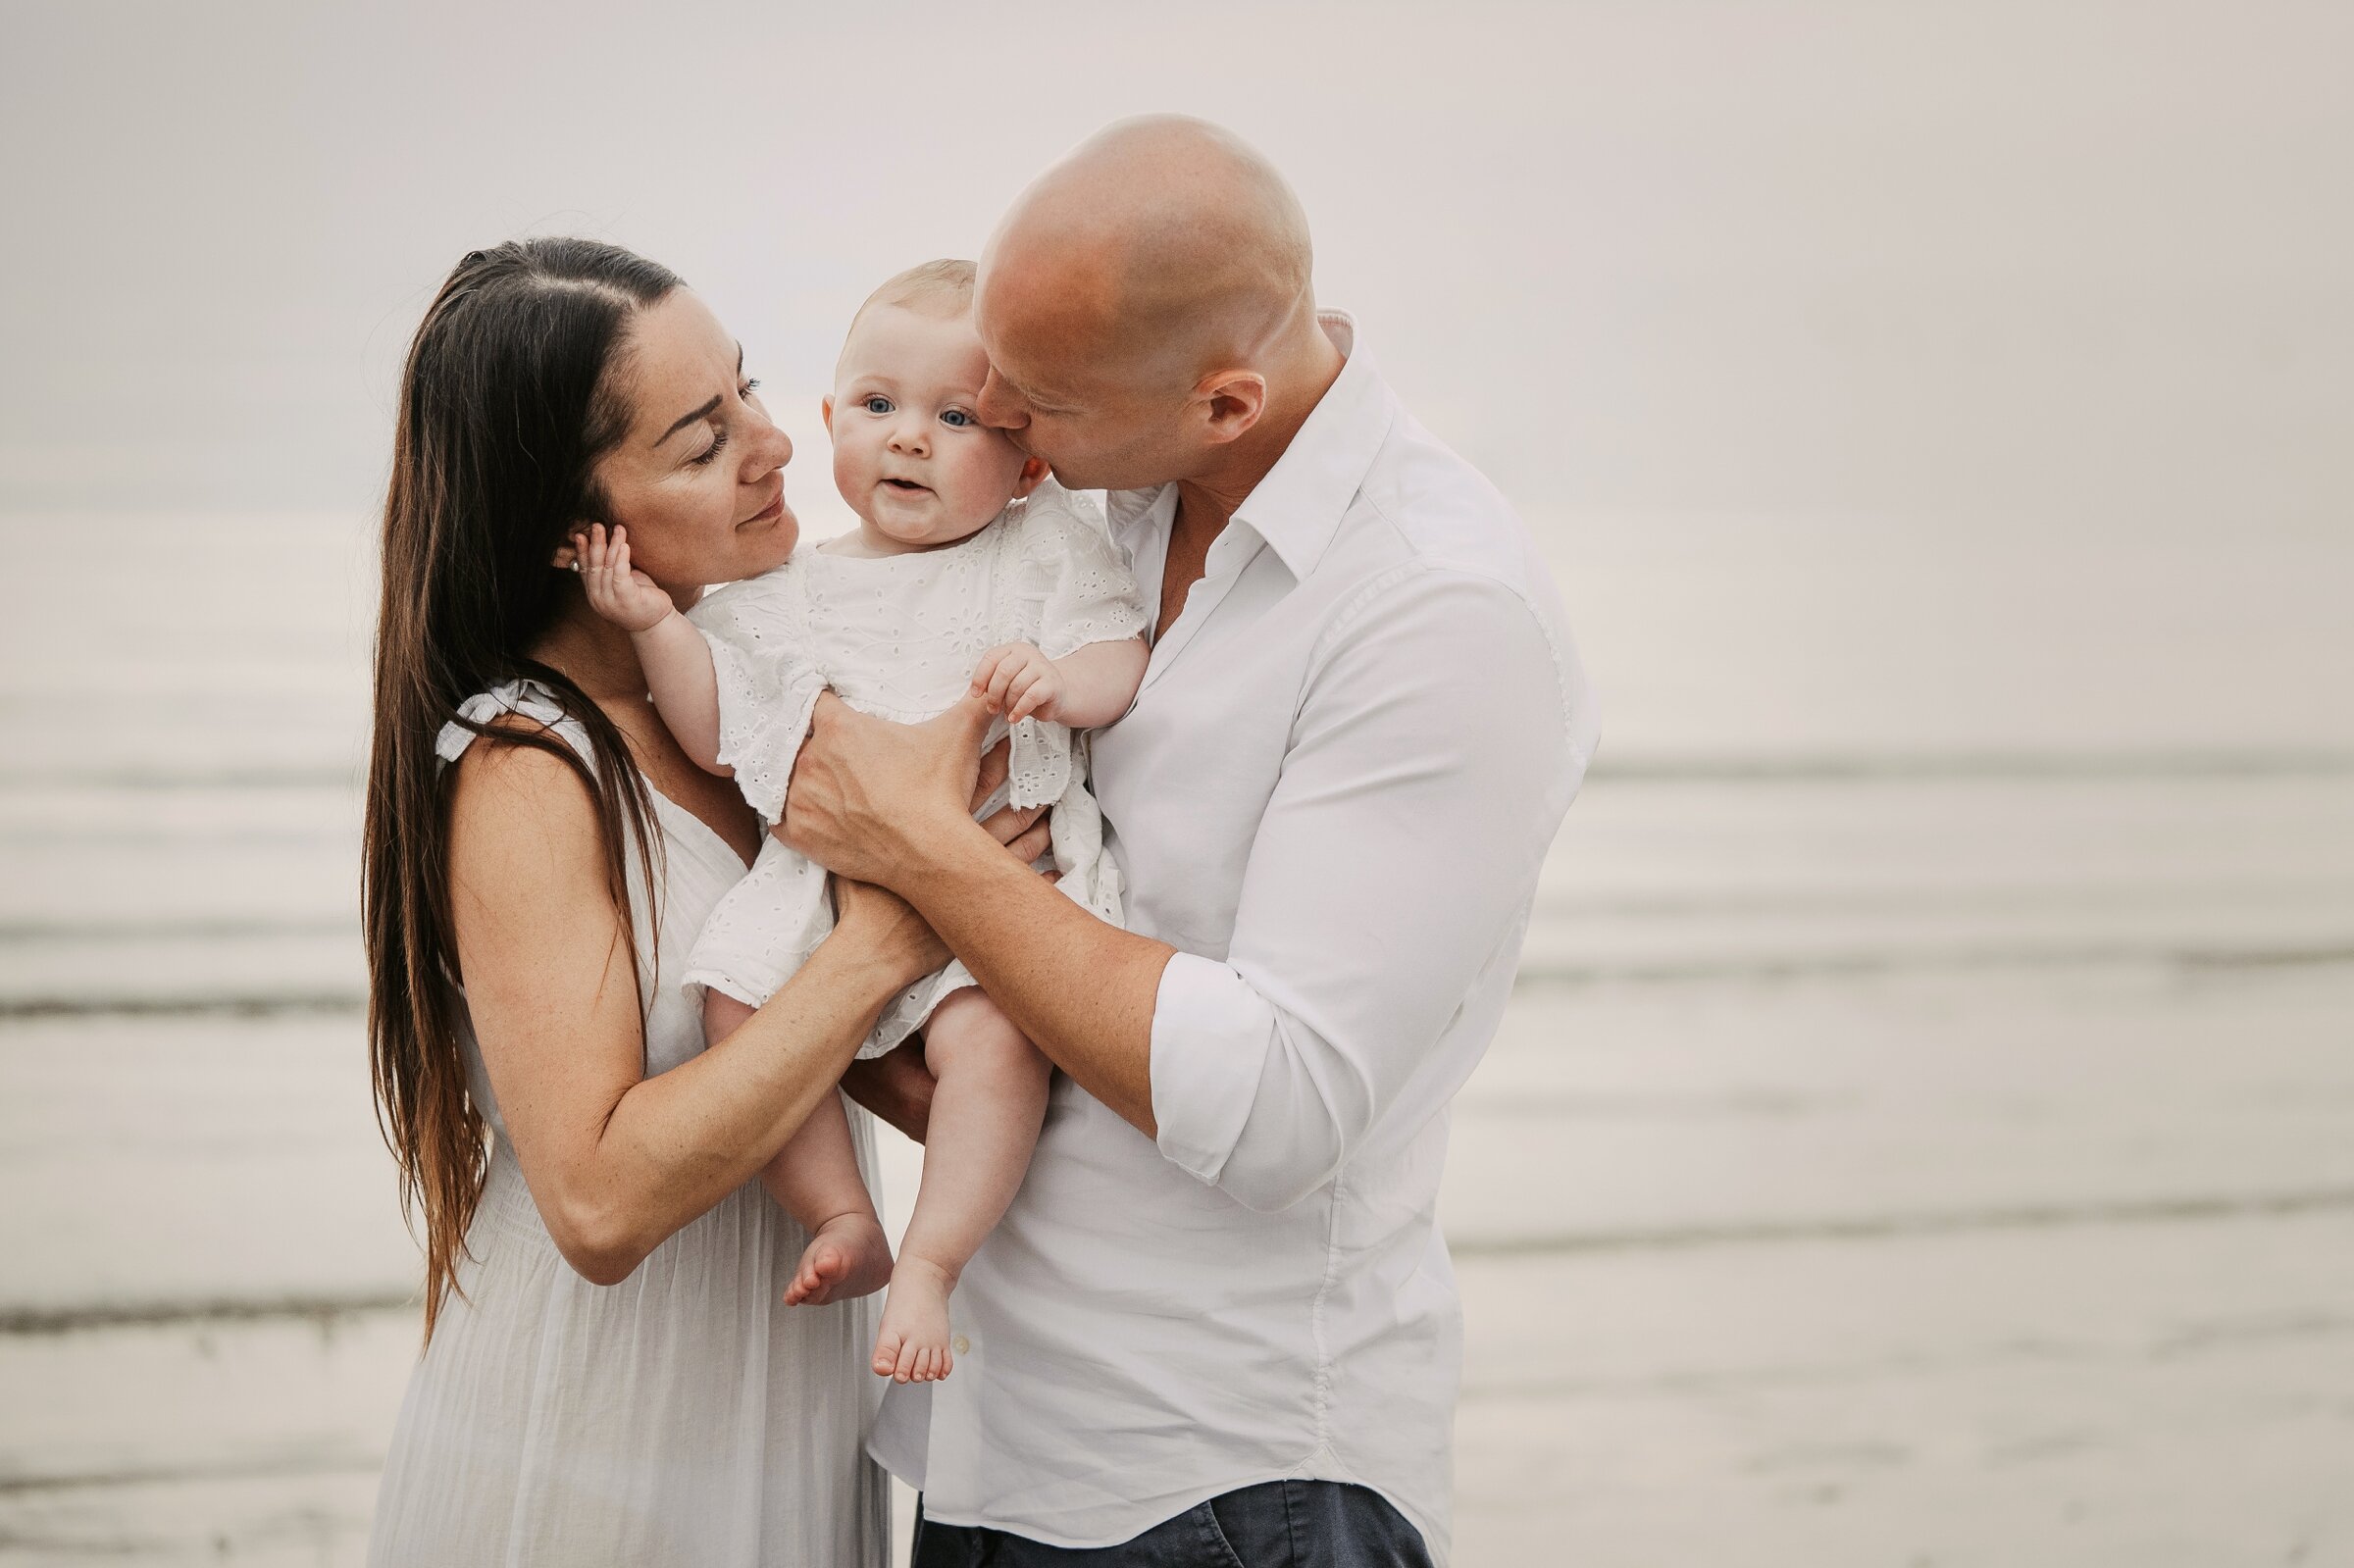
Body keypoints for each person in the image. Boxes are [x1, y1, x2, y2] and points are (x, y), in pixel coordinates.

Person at [780, 118, 1601, 1565]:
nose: (1003, 432)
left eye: (1038, 408)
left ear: (1226, 404)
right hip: (985, 1433)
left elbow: (1279, 1103)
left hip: (1224, 1481)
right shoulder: (1107, 508)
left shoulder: (1435, 613)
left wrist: (922, 848)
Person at [361, 237, 1048, 1565]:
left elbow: (869, 1065)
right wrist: (899, 925)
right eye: (699, 438)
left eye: (746, 389)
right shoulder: (529, 766)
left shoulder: (752, 707)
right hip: (606, 1446)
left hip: (777, 1405)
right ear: (574, 531)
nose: (776, 444)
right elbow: (602, 1204)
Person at [575, 257, 1149, 1386]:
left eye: (957, 418)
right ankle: (844, 1213)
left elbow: (1118, 650)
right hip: (825, 890)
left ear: (1029, 463)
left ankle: (933, 1260)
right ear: (832, 419)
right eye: (879, 407)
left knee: (992, 1043)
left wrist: (1064, 682)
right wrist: (654, 627)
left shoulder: (1039, 550)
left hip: (997, 877)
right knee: (736, 1000)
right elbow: (715, 728)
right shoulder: (780, 593)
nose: (910, 439)